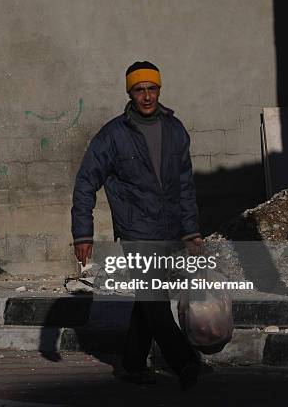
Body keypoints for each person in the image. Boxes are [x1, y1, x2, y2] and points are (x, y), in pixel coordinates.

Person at [71, 61, 204, 390]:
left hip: (170, 231)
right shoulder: (113, 135)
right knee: (155, 303)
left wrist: (191, 231)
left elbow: (185, 186)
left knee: (148, 302)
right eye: (139, 90)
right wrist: (82, 232)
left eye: (152, 88)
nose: (146, 96)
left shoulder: (175, 131)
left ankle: (131, 364)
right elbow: (86, 182)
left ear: (160, 89)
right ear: (129, 92)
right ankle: (185, 362)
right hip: (136, 232)